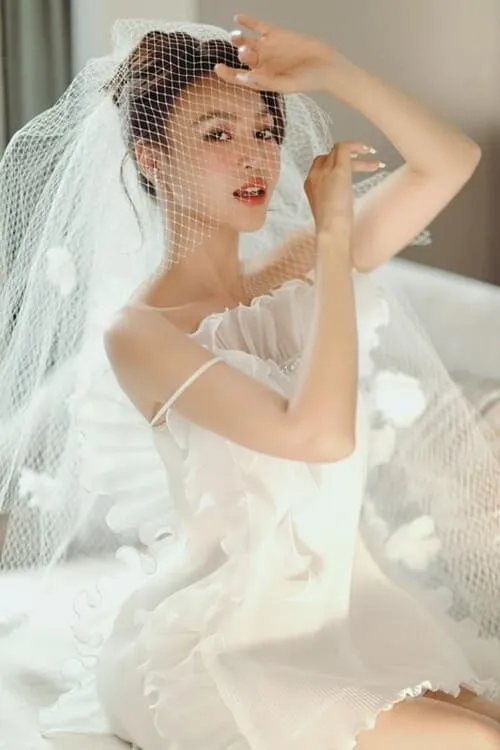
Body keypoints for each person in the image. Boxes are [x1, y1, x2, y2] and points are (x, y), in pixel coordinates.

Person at [1, 15, 500, 750]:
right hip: (225, 650)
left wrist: (334, 68)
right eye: (216, 134)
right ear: (151, 158)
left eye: (264, 130)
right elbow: (318, 435)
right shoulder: (141, 333)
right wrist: (334, 239)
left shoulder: (292, 268)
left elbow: (452, 160)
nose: (254, 156)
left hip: (345, 619)